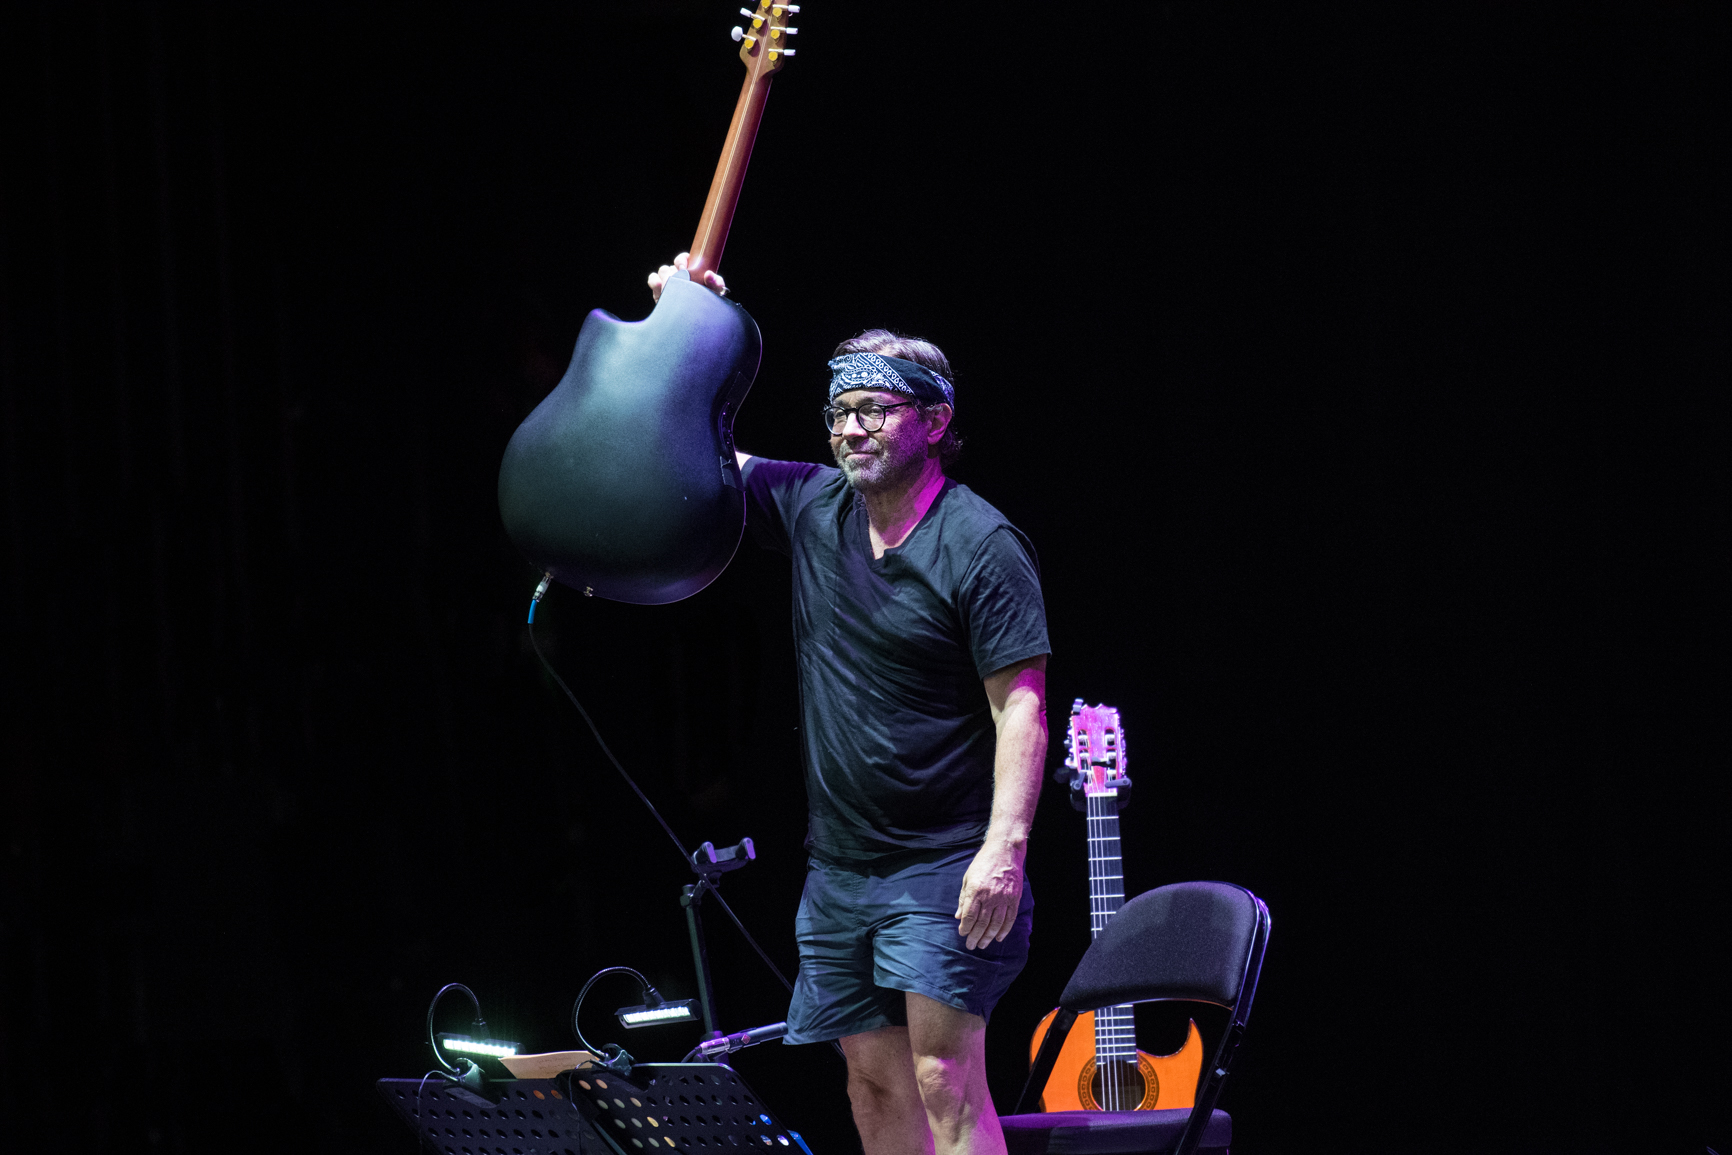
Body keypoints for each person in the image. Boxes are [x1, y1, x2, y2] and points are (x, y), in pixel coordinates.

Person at [651, 255, 1050, 1155]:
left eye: (873, 409)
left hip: (946, 861)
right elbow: (692, 442)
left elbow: (1020, 705)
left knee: (944, 1075)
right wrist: (681, 334)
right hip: (841, 870)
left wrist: (1004, 847)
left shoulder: (981, 545)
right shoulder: (811, 506)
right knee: (871, 1083)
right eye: (838, 411)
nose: (850, 429)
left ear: (935, 420)